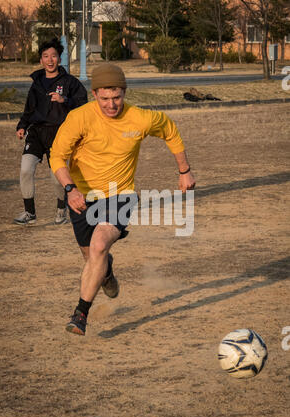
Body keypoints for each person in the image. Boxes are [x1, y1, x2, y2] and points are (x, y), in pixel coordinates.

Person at [50, 63, 196, 336]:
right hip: (82, 196)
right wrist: (70, 189)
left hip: (120, 194)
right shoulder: (79, 118)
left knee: (98, 245)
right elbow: (57, 156)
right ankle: (106, 273)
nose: (111, 104)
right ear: (94, 95)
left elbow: (170, 130)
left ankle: (80, 314)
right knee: (91, 256)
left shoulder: (139, 118)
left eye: (116, 97)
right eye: (105, 98)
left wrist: (184, 171)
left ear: (124, 93)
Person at [14, 38, 88, 226]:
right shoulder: (36, 83)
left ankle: (61, 211)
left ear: (59, 58)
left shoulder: (70, 82)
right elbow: (28, 110)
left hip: (59, 134)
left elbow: (83, 106)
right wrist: (22, 126)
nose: (50, 60)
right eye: (46, 56)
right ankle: (30, 213)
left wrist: (65, 100)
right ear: (41, 60)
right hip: (36, 133)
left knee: (57, 177)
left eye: (53, 56)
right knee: (25, 170)